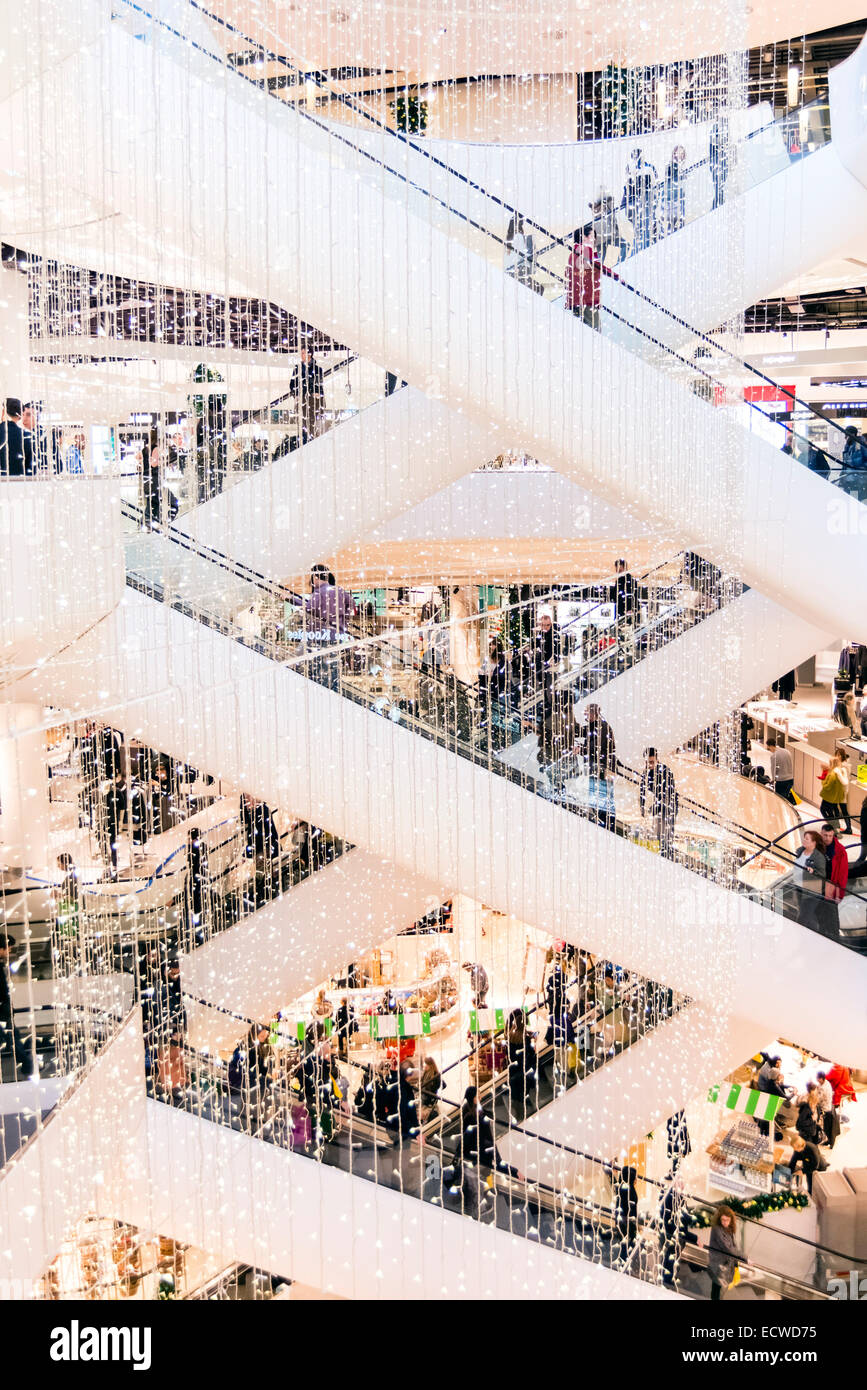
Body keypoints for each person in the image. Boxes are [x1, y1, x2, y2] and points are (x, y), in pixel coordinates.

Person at [575, 703, 617, 829]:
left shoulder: (602, 727)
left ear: (593, 713)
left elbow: (595, 748)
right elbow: (580, 731)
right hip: (597, 768)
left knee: (602, 796)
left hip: (603, 768)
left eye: (586, 712)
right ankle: (604, 823)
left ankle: (608, 825)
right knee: (596, 794)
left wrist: (580, 749)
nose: (585, 714)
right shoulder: (594, 726)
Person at [0, 934, 36, 1079]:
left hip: (3, 1007)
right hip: (2, 1007)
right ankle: (28, 1066)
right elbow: (2, 990)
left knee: (12, 1036)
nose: (9, 952)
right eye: (8, 948)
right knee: (12, 1037)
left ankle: (28, 1065)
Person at [639, 748, 678, 859]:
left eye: (651, 762)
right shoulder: (646, 773)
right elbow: (642, 790)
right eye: (647, 762)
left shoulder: (665, 771)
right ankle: (662, 854)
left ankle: (667, 855)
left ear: (657, 760)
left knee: (666, 833)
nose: (649, 765)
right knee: (658, 833)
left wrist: (653, 806)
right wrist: (642, 807)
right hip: (659, 807)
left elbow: (668, 792)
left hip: (669, 806)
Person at [565, 224, 602, 329]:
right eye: (591, 236)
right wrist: (616, 276)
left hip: (579, 300)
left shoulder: (576, 252)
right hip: (586, 300)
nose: (594, 239)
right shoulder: (584, 251)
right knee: (595, 332)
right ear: (583, 237)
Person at [621, 148, 658, 249]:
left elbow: (655, 186)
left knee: (644, 232)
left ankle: (643, 250)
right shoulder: (631, 170)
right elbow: (628, 189)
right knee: (641, 233)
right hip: (638, 207)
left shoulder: (648, 169)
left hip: (645, 205)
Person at [818, 822, 849, 938]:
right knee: (819, 915)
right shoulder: (816, 846)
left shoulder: (840, 851)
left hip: (831, 888)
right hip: (817, 886)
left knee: (832, 918)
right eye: (825, 835)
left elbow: (843, 874)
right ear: (821, 834)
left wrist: (840, 894)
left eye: (830, 836)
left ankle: (835, 939)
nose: (827, 838)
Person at [289, 345, 325, 444]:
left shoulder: (317, 369)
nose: (302, 355)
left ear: (310, 354)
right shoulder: (298, 369)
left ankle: (311, 443)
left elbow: (319, 385)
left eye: (304, 353)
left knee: (312, 424)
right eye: (301, 353)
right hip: (301, 401)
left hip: (313, 402)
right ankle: (305, 443)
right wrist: (296, 394)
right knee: (302, 425)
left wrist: (316, 393)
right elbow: (292, 384)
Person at [505, 1008, 537, 1118]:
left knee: (516, 1093)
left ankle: (517, 1109)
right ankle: (521, 1114)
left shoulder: (509, 1036)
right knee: (522, 1092)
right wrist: (533, 1041)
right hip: (524, 1071)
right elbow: (531, 1054)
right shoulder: (525, 1040)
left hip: (514, 1071)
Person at [793, 829, 826, 931]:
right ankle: (816, 933)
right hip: (798, 887)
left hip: (811, 891)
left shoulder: (818, 857)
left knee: (802, 917)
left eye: (807, 839)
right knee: (808, 915)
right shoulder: (800, 851)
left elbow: (822, 874)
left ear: (814, 842)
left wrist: (813, 871)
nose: (804, 840)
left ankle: (801, 934)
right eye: (804, 838)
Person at [608, 558, 641, 657]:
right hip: (622, 611)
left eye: (619, 567)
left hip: (625, 612)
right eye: (617, 567)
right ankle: (625, 652)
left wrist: (631, 609)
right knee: (623, 633)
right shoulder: (621, 580)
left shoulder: (628, 580)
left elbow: (632, 595)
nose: (618, 569)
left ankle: (626, 653)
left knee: (625, 633)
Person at [707, 1206, 738, 1300]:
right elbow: (727, 1248)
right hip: (718, 1263)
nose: (725, 1222)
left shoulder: (729, 1228)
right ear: (719, 1218)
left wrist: (736, 1263)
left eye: (727, 1220)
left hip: (725, 1262)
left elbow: (733, 1245)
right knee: (716, 1286)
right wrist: (745, 1257)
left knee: (717, 1286)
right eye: (723, 1220)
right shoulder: (717, 1229)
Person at [819, 749, 852, 835]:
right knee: (835, 808)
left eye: (838, 755)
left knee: (842, 809)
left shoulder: (844, 767)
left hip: (841, 791)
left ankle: (843, 828)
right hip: (839, 791)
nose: (837, 756)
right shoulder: (841, 766)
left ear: (841, 756)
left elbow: (840, 778)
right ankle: (836, 826)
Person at [504, 213, 536, 290]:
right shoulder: (518, 236)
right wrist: (533, 251)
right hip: (518, 269)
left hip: (510, 270)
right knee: (538, 289)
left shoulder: (508, 238)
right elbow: (522, 253)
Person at [0, 398, 31, 476]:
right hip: (18, 483)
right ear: (20, 416)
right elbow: (29, 467)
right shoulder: (26, 436)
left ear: (3, 412)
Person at [141, 427, 162, 527]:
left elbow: (137, 457)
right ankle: (147, 523)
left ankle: (146, 523)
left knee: (151, 502)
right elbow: (154, 464)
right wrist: (163, 461)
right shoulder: (156, 448)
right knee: (156, 502)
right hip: (154, 478)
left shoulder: (146, 448)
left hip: (146, 478)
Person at [708, 118, 731, 211]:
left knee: (721, 186)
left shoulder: (726, 128)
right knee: (718, 187)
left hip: (722, 161)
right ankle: (717, 207)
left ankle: (718, 206)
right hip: (716, 162)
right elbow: (715, 141)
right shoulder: (715, 128)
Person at [765, 731, 795, 803]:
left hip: (781, 781)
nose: (770, 750)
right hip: (790, 779)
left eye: (769, 748)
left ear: (771, 746)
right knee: (786, 799)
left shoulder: (774, 756)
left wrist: (773, 779)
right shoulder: (787, 751)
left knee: (780, 801)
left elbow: (773, 769)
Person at [664, 145, 687, 232]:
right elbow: (670, 180)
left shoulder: (680, 166)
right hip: (674, 197)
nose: (680, 155)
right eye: (678, 153)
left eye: (682, 153)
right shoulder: (671, 165)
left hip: (679, 195)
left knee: (679, 221)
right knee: (674, 221)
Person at [815, 1070, 839, 1149]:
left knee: (827, 1127)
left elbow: (817, 1100)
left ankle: (828, 1141)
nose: (817, 1080)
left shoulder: (823, 1088)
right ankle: (828, 1140)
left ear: (821, 1079)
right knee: (828, 1127)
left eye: (818, 1078)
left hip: (825, 1109)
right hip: (829, 1106)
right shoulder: (827, 1082)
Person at [418, 1055, 444, 1123]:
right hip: (425, 1101)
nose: (424, 1065)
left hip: (428, 1102)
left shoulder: (434, 1075)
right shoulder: (426, 1073)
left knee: (427, 1119)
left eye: (425, 1063)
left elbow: (442, 1085)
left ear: (430, 1065)